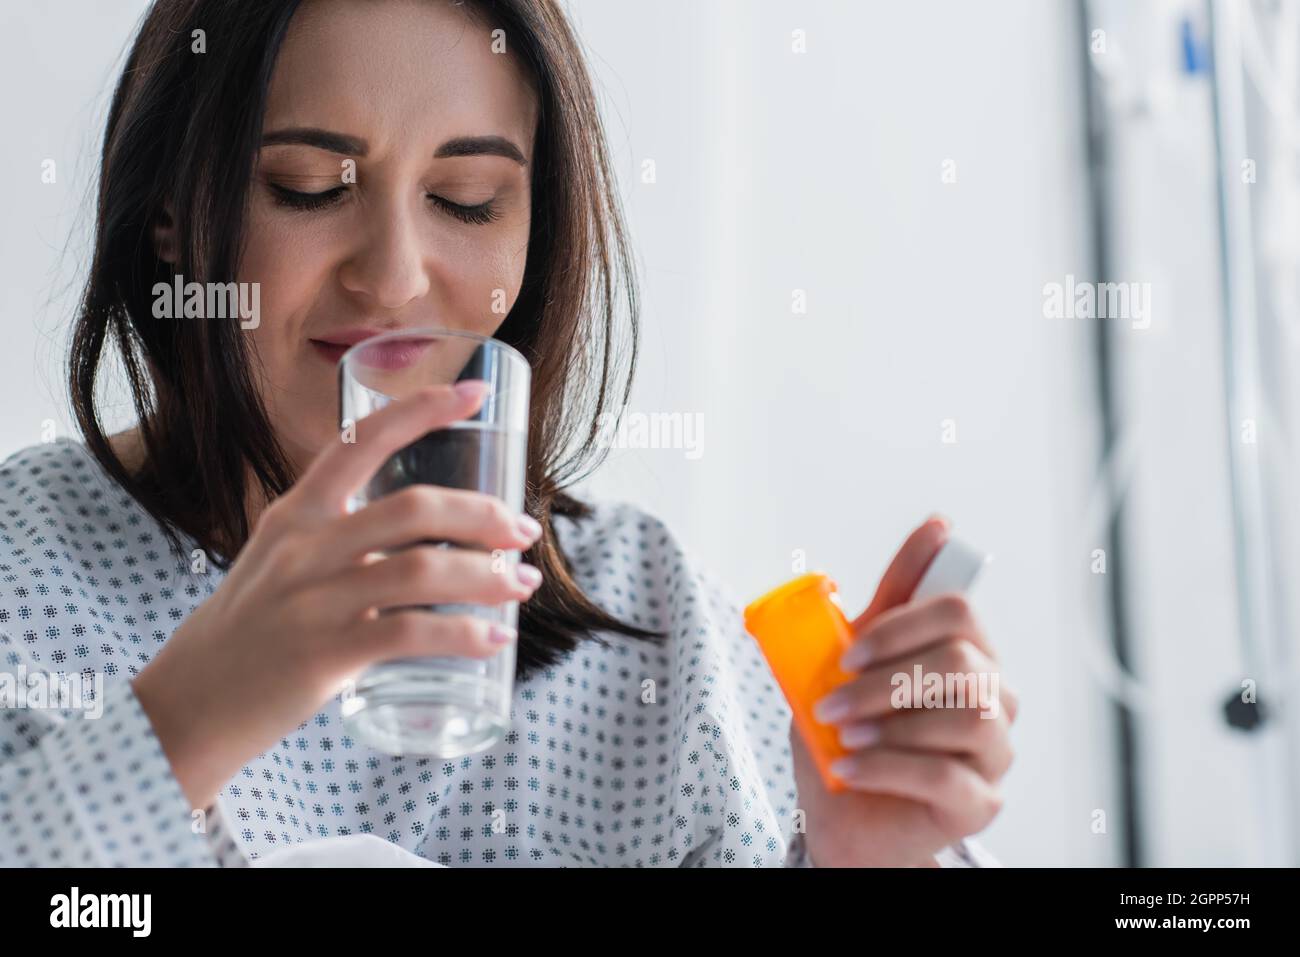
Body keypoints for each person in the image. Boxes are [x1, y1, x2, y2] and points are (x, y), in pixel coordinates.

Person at [0, 0, 1014, 867]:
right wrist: (183, 724)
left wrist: (867, 857)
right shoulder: (27, 569)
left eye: (467, 202)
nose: (393, 278)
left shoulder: (651, 612)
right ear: (170, 213)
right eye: (308, 186)